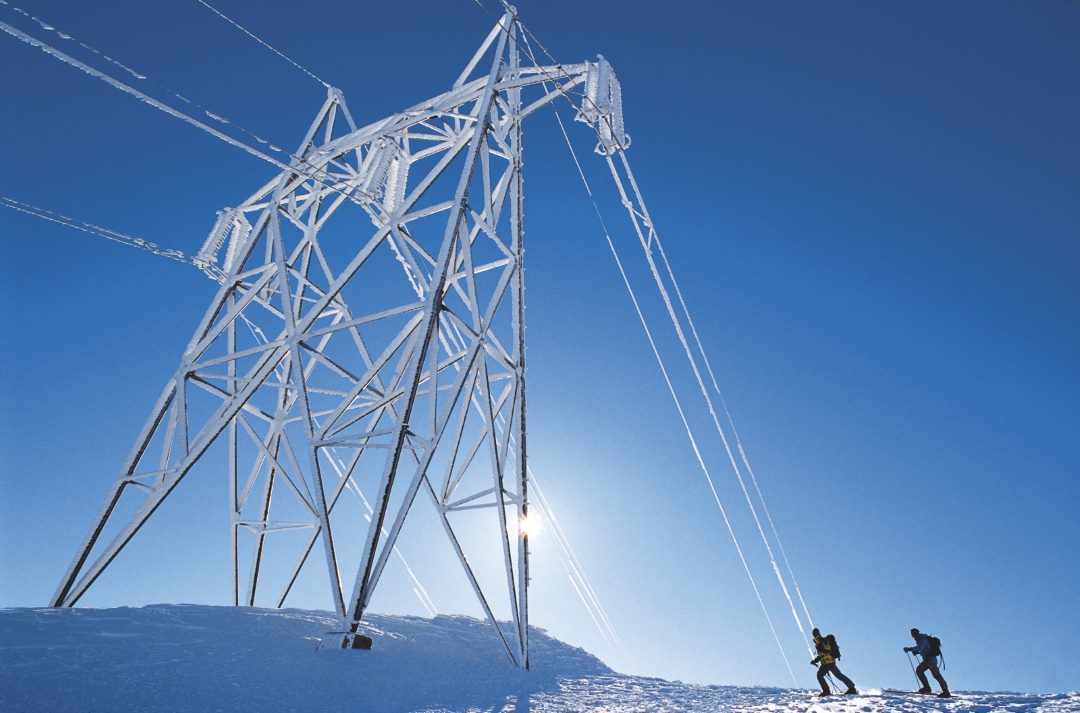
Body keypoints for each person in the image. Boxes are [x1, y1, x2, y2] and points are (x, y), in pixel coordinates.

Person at [904, 627, 951, 698]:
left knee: (936, 675)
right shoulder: (920, 639)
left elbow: (920, 648)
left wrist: (910, 649)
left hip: (931, 660)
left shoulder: (923, 639)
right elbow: (924, 649)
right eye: (912, 634)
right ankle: (927, 688)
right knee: (919, 670)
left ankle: (946, 691)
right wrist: (916, 651)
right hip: (927, 660)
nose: (913, 635)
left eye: (914, 634)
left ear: (917, 633)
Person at [810, 628, 857, 696]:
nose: (814, 634)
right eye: (813, 633)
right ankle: (827, 691)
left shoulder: (822, 640)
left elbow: (827, 650)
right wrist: (815, 660)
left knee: (837, 675)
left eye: (815, 633)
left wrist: (821, 649)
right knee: (821, 675)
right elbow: (822, 654)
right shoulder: (818, 642)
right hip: (825, 663)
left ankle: (851, 688)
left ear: (818, 633)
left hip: (829, 662)